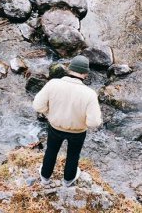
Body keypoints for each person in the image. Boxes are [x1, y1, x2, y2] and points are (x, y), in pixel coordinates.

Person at [32, 55, 102, 187]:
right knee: (73, 155)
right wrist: (81, 121)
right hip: (78, 132)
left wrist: (49, 114)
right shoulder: (90, 94)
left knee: (51, 151)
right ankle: (67, 181)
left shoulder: (53, 84)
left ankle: (45, 178)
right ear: (86, 73)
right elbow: (94, 122)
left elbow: (37, 106)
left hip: (55, 127)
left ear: (69, 69)